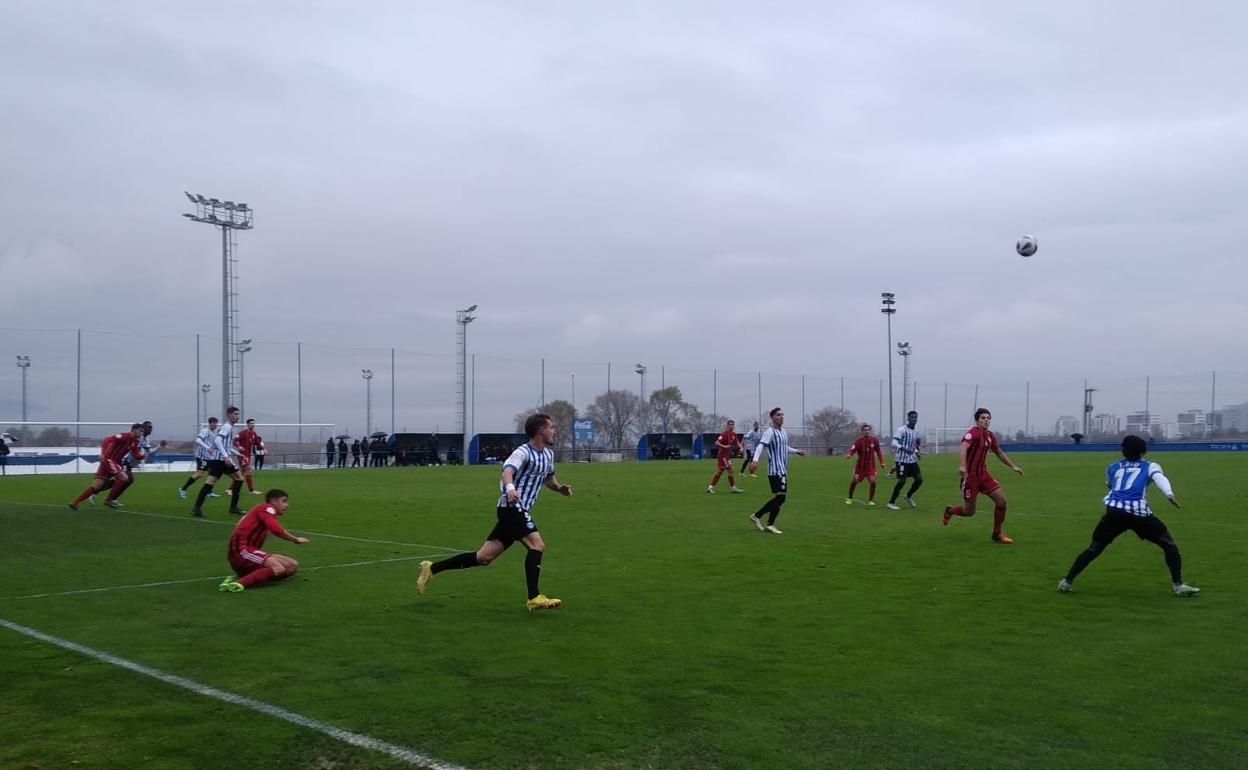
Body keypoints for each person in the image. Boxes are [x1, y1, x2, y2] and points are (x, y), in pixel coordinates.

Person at [417, 413, 570, 611]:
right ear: (541, 430)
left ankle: (431, 568)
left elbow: (548, 478)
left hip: (517, 511)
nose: (554, 431)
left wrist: (559, 489)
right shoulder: (522, 452)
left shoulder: (548, 455)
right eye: (551, 427)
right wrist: (510, 489)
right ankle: (534, 597)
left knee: (483, 558)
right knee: (537, 545)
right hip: (511, 508)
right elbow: (507, 472)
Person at [1058, 436, 1199, 596]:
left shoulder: (1113, 466)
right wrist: (1169, 493)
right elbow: (1160, 478)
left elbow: (1111, 485)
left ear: (1123, 450)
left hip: (1114, 511)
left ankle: (1066, 582)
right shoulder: (1150, 466)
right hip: (1138, 513)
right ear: (1143, 451)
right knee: (1169, 545)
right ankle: (1178, 585)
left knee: (1094, 548)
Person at [942, 408, 1024, 544]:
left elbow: (999, 452)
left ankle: (997, 534)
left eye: (988, 418)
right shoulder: (973, 433)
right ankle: (950, 511)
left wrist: (1013, 466)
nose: (986, 420)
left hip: (983, 475)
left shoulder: (991, 435)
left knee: (1002, 501)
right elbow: (963, 447)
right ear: (977, 420)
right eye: (983, 418)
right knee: (969, 511)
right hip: (970, 477)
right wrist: (962, 466)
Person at [218, 488, 310, 592]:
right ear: (273, 501)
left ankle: (245, 576)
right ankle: (237, 584)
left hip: (248, 553)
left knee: (292, 566)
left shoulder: (260, 511)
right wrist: (295, 539)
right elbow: (277, 530)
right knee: (278, 568)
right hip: (241, 552)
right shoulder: (266, 508)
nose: (287, 505)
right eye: (284, 501)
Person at [748, 407, 806, 534]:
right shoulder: (770, 432)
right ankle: (769, 524)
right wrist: (755, 460)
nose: (781, 417)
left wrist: (797, 451)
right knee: (780, 498)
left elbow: (784, 447)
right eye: (778, 415)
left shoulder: (783, 432)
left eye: (782, 415)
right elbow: (761, 445)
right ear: (773, 417)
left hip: (782, 469)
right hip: (774, 470)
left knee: (780, 498)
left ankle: (757, 516)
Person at [68, 423, 146, 510]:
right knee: (124, 478)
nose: (141, 433)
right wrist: (103, 454)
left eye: (143, 432)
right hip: (110, 460)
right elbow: (106, 440)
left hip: (113, 463)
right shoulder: (124, 436)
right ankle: (109, 500)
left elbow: (136, 455)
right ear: (134, 429)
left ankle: (75, 502)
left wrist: (143, 455)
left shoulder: (135, 442)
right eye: (140, 430)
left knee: (97, 485)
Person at [191, 406, 247, 517]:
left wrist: (237, 453)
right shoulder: (227, 427)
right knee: (239, 479)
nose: (237, 416)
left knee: (209, 483)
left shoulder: (226, 427)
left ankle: (196, 508)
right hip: (222, 460)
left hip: (216, 460)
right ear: (229, 415)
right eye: (235, 414)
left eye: (238, 414)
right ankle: (233, 507)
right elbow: (218, 440)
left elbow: (223, 444)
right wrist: (226, 457)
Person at [111, 421, 167, 504]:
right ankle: (110, 498)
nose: (150, 429)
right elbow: (130, 448)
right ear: (143, 428)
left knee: (123, 480)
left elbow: (149, 452)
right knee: (128, 480)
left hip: (130, 462)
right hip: (124, 460)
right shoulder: (137, 437)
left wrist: (159, 446)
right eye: (148, 427)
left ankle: (99, 490)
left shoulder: (145, 439)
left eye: (151, 427)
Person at [886, 411, 923, 509]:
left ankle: (908, 495)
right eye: (912, 417)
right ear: (908, 418)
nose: (914, 419)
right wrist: (904, 449)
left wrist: (916, 452)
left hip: (911, 460)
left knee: (919, 479)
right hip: (901, 460)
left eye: (915, 417)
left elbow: (913, 445)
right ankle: (891, 502)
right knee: (902, 481)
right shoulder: (901, 429)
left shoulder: (916, 431)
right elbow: (894, 443)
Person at [845, 423, 887, 506]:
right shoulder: (859, 441)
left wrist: (882, 462)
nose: (867, 431)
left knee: (873, 482)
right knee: (854, 482)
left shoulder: (874, 441)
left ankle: (870, 500)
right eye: (865, 430)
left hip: (870, 467)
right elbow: (853, 449)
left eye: (868, 430)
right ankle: (850, 497)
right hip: (860, 467)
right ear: (862, 431)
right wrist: (849, 454)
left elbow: (878, 452)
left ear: (870, 431)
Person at [179, 417, 220, 498]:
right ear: (210, 423)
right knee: (199, 474)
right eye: (214, 423)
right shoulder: (205, 431)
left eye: (216, 423)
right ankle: (183, 489)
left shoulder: (214, 432)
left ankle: (209, 492)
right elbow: (198, 440)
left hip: (209, 457)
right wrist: (207, 447)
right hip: (201, 456)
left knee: (213, 474)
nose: (216, 425)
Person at [706, 419, 744, 494]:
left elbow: (737, 442)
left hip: (727, 456)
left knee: (721, 471)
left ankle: (711, 487)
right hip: (722, 456)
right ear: (727, 426)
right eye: (730, 424)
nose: (732, 426)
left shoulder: (733, 434)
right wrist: (724, 446)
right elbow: (716, 442)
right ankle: (732, 488)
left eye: (733, 425)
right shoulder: (724, 434)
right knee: (728, 470)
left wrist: (741, 447)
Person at [230, 419, 264, 496]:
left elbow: (257, 443)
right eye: (251, 423)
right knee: (248, 470)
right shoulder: (242, 433)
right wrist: (239, 446)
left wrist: (263, 449)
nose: (253, 425)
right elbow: (235, 441)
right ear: (247, 424)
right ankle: (251, 490)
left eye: (253, 423)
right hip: (242, 455)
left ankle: (230, 489)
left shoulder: (254, 433)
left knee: (240, 473)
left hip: (248, 455)